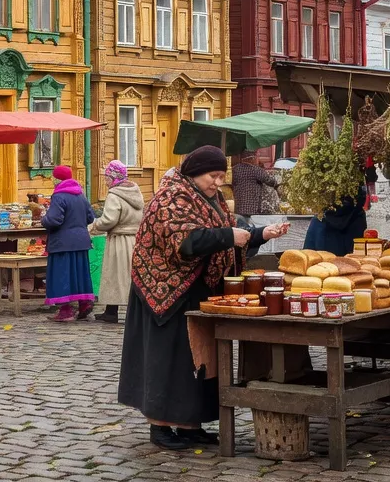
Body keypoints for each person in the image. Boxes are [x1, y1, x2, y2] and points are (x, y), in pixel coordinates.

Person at [118, 145, 289, 450]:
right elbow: (185, 241)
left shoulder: (211, 197)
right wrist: (227, 237)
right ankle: (159, 426)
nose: (218, 182)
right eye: (213, 175)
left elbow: (229, 231)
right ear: (196, 173)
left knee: (198, 360)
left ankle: (189, 425)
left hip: (195, 289)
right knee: (168, 360)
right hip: (165, 291)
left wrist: (263, 233)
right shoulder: (171, 198)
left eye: (222, 176)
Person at [90, 160, 144, 323]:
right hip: (134, 239)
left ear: (113, 177)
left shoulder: (115, 195)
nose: (105, 181)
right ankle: (115, 311)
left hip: (119, 240)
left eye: (107, 177)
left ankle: (113, 312)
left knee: (116, 276)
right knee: (130, 275)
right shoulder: (136, 193)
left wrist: (94, 225)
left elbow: (109, 220)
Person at [40, 165, 97, 321]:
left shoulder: (59, 196)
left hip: (62, 243)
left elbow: (54, 220)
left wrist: (43, 218)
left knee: (62, 275)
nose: (52, 180)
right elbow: (90, 218)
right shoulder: (80, 195)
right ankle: (84, 304)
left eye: (53, 177)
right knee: (79, 274)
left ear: (57, 179)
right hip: (81, 241)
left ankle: (66, 311)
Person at [303, 185, 368, 256]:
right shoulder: (358, 214)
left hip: (327, 218)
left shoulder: (319, 220)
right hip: (354, 217)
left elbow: (307, 257)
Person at [230, 152, 280, 217]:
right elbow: (269, 180)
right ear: (252, 159)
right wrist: (277, 184)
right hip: (252, 208)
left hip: (238, 208)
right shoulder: (256, 170)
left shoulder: (234, 169)